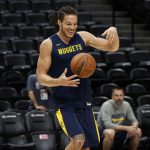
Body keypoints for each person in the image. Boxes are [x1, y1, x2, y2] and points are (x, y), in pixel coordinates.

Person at [36, 6, 119, 150]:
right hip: (63, 103)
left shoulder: (83, 37)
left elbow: (112, 48)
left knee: (86, 147)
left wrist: (114, 31)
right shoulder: (48, 44)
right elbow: (41, 77)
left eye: (75, 24)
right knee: (78, 139)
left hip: (84, 100)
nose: (72, 27)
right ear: (59, 22)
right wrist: (58, 81)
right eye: (68, 24)